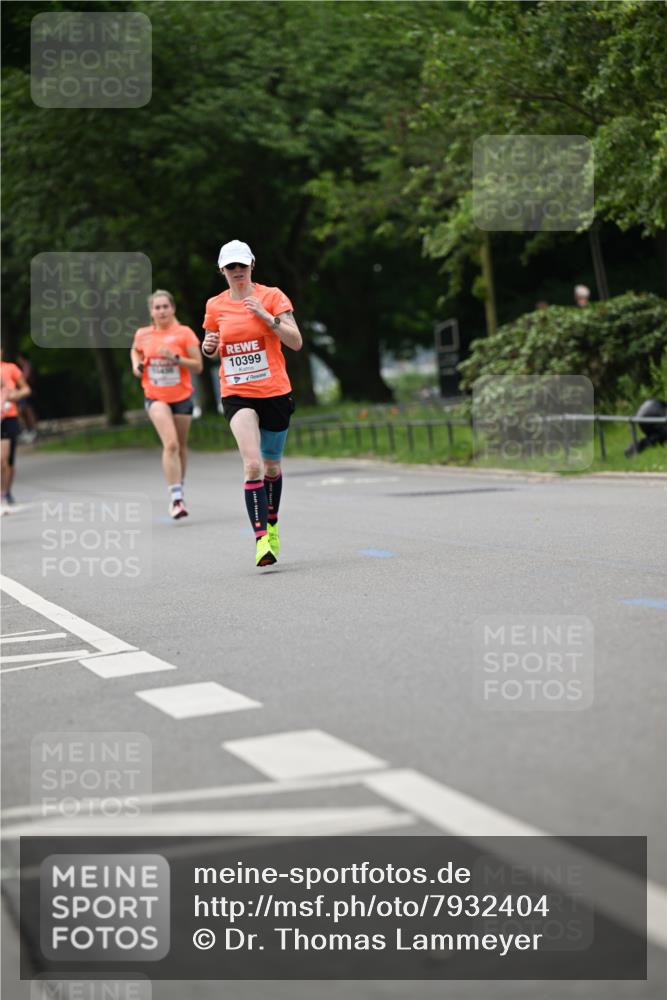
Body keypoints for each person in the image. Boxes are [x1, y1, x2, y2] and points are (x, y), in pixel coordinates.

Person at [201, 239, 302, 567]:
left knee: (272, 466)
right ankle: (261, 541)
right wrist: (208, 345)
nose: (237, 272)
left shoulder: (273, 296)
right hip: (237, 393)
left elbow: (296, 342)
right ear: (222, 270)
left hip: (274, 391)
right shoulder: (214, 306)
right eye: (231, 267)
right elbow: (211, 346)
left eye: (242, 266)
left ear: (252, 265)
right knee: (253, 464)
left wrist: (267, 317)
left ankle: (271, 525)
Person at [131, 290, 203, 519]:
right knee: (170, 444)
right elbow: (135, 351)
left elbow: (198, 366)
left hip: (181, 397)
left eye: (165, 306)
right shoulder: (143, 334)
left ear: (172, 308)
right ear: (151, 312)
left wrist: (175, 358)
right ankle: (176, 499)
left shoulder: (184, 334)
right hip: (155, 396)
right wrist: (136, 365)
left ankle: (179, 485)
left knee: (181, 447)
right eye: (157, 307)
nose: (161, 311)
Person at [1, 348, 32, 507]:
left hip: (9, 417)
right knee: (1, 459)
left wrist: (14, 396)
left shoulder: (10, 368)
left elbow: (26, 389)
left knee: (8, 461)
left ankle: (6, 491)